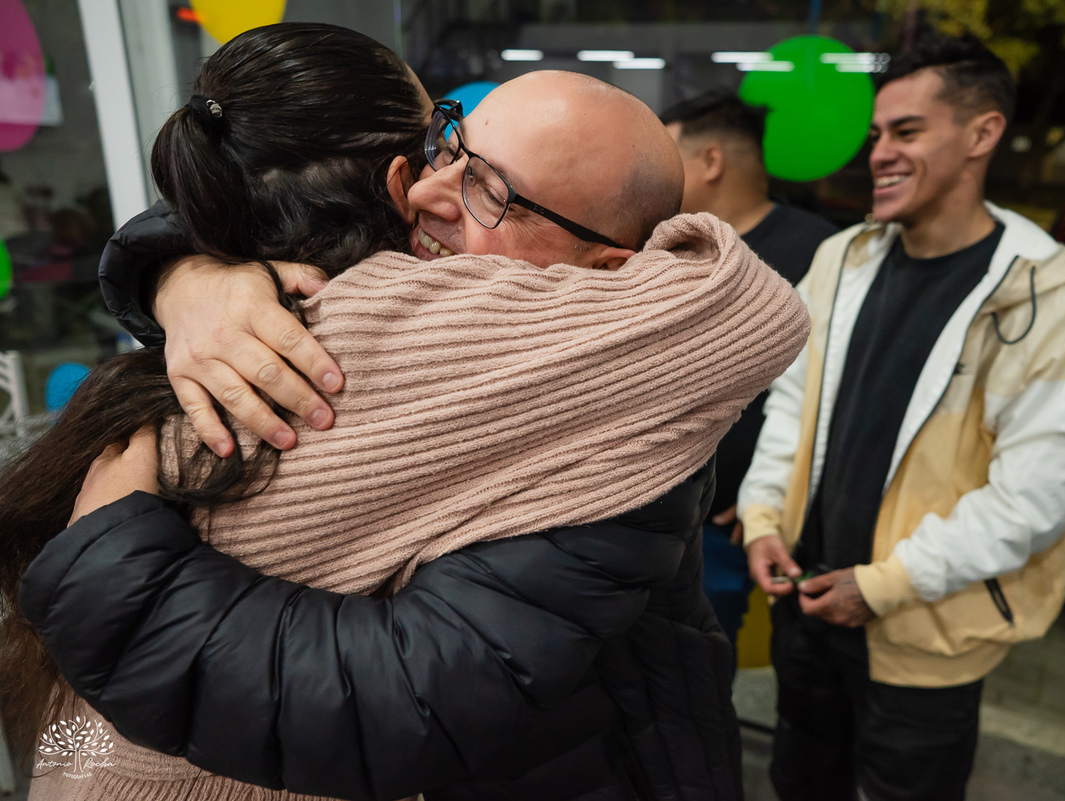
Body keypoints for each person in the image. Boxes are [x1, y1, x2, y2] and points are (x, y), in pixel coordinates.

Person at [11, 36, 811, 801]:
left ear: (606, 269)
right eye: (449, 145)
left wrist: (113, 561)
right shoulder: (316, 305)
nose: (423, 192)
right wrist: (186, 276)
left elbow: (404, 698)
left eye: (492, 193)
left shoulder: (620, 415)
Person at [736, 33, 1065, 800]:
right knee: (799, 784)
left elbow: (1041, 494)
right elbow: (792, 398)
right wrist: (762, 514)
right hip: (807, 606)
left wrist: (882, 585)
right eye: (878, 134)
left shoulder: (1051, 293)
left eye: (907, 131)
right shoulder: (844, 256)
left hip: (925, 637)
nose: (880, 152)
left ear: (982, 134)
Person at [660, 90, 836, 664]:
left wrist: (767, 494)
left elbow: (824, 392)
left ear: (711, 161)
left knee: (694, 672)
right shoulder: (669, 245)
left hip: (722, 528)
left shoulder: (821, 253)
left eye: (668, 156)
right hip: (644, 506)